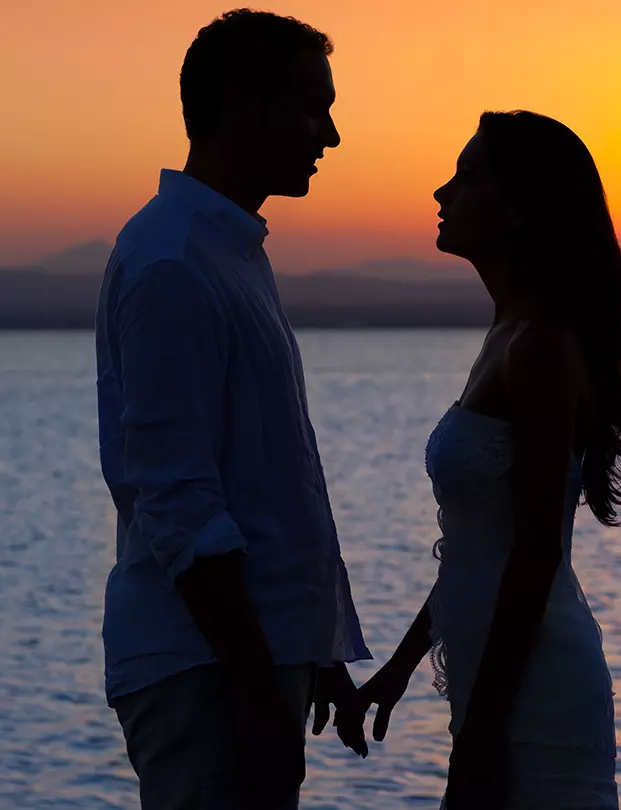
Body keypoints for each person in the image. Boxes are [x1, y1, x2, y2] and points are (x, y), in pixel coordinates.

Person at [94, 10, 371, 810]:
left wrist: (314, 652)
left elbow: (261, 484)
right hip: (204, 673)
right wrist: (254, 689)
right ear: (243, 107)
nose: (332, 135)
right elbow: (178, 497)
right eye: (313, 107)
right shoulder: (174, 262)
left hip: (241, 662)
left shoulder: (226, 251)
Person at [351, 111, 621, 809]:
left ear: (517, 211)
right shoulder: (507, 335)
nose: (440, 194)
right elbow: (479, 548)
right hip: (497, 682)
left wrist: (483, 731)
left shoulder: (538, 348)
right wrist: (401, 665)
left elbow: (535, 553)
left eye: (466, 178)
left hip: (534, 693)